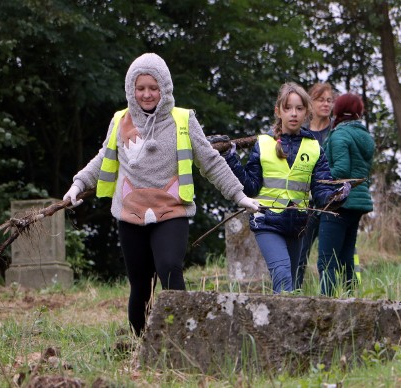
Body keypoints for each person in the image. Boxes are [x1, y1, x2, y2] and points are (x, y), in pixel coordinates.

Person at [63, 53, 259, 336]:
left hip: (172, 212)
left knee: (169, 268)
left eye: (153, 88)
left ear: (164, 88)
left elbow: (211, 161)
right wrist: (77, 185)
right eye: (140, 88)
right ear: (132, 89)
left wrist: (239, 196)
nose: (146, 94)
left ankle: (183, 339)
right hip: (130, 215)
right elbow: (102, 158)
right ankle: (139, 345)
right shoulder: (120, 121)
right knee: (141, 284)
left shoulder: (183, 119)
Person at [223, 82, 350, 294]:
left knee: (292, 286)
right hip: (266, 221)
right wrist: (231, 159)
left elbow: (320, 191)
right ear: (278, 111)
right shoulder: (263, 144)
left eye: (299, 109)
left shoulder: (314, 148)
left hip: (298, 224)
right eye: (288, 108)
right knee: (282, 276)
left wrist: (336, 197)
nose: (293, 114)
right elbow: (250, 186)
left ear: (307, 113)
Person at [317, 93, 375, 296]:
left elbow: (341, 170)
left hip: (338, 203)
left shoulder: (340, 135)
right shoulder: (365, 136)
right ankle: (352, 297)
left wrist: (319, 177)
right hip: (357, 203)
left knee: (327, 260)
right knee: (346, 256)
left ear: (338, 111)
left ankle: (327, 303)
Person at [296, 82, 336, 289]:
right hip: (306, 202)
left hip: (331, 203)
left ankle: (332, 296)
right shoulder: (300, 131)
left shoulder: (337, 131)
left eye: (329, 100)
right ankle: (292, 295)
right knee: (300, 254)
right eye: (321, 100)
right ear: (310, 103)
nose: (326, 104)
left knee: (330, 257)